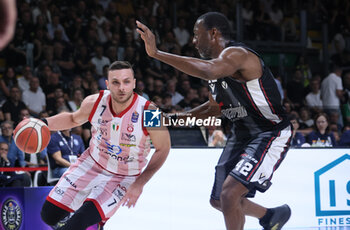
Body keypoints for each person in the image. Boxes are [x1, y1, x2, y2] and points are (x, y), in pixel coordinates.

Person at [137, 12, 292, 230]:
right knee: (219, 199)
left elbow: (208, 70)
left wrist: (157, 53)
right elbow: (213, 109)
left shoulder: (238, 54)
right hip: (242, 135)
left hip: (270, 133)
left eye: (196, 35)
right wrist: (168, 119)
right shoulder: (216, 72)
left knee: (229, 194)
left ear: (213, 33)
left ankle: (271, 216)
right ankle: (271, 216)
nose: (193, 40)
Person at [40, 61, 171, 229]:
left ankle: (91, 216)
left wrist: (139, 183)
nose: (122, 87)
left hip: (124, 176)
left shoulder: (150, 112)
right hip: (91, 163)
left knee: (78, 222)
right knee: (48, 215)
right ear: (108, 84)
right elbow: (73, 119)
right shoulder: (94, 102)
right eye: (116, 82)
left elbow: (164, 148)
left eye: (126, 81)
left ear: (134, 83)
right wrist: (42, 123)